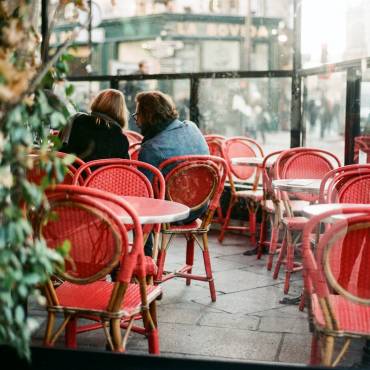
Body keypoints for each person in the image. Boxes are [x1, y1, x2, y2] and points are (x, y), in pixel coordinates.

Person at [134, 90, 209, 256]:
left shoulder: (151, 147)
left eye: (138, 114)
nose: (137, 121)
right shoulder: (192, 127)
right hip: (201, 207)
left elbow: (144, 193)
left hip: (175, 213)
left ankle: (143, 261)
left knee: (138, 208)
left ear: (148, 116)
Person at [59, 89, 129, 162]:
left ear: (97, 101)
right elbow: (123, 168)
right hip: (102, 173)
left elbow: (58, 148)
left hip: (71, 171)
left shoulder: (76, 119)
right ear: (121, 110)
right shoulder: (121, 139)